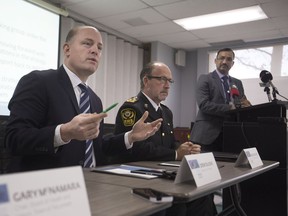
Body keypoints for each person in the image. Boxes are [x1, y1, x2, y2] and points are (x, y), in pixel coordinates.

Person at [4, 26, 162, 173]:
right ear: (67, 49)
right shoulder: (38, 81)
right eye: (87, 44)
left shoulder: (95, 100)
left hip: (93, 182)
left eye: (99, 48)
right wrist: (64, 133)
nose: (95, 50)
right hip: (51, 188)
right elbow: (14, 139)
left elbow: (96, 147)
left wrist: (130, 136)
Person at [111, 61, 216, 216]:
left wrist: (186, 148)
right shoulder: (132, 108)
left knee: (203, 193)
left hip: (161, 171)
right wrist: (176, 154)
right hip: (139, 175)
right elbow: (138, 149)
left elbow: (170, 142)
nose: (167, 85)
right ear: (146, 81)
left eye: (170, 81)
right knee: (181, 203)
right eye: (162, 79)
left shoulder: (166, 112)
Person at [190, 48, 251, 152]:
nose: (224, 62)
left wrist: (247, 108)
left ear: (232, 63)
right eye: (221, 58)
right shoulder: (205, 78)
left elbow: (241, 104)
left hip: (230, 136)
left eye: (228, 59)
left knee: (228, 167)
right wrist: (230, 107)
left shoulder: (237, 83)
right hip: (207, 135)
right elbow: (204, 105)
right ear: (215, 61)